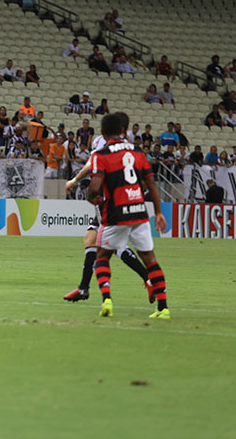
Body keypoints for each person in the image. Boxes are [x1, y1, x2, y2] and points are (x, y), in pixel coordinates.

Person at [86, 113, 171, 319]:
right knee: (150, 260)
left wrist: (92, 197)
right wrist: (158, 212)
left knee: (102, 256)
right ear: (124, 131)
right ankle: (163, 308)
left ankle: (107, 299)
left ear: (103, 134)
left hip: (115, 213)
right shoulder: (138, 151)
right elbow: (151, 183)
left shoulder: (101, 154)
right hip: (139, 211)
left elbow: (95, 186)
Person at [63, 112, 153, 303]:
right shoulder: (129, 147)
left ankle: (146, 279)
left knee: (111, 245)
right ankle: (84, 288)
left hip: (107, 200)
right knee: (91, 240)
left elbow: (90, 165)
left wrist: (74, 180)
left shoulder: (102, 148)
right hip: (121, 198)